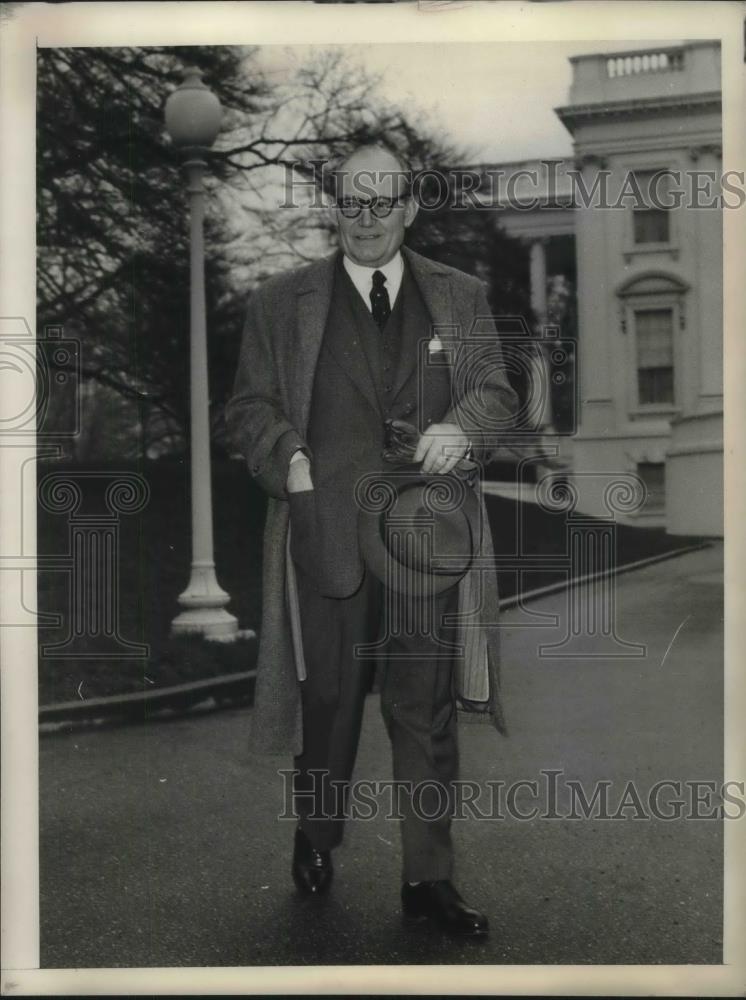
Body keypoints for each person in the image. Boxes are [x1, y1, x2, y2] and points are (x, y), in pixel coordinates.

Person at [225, 143, 518, 938]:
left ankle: (429, 878)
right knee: (329, 700)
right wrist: (285, 456)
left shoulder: (459, 296)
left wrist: (462, 427)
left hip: (428, 539)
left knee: (424, 708)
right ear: (334, 206)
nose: (364, 219)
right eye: (350, 203)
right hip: (326, 532)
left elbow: (495, 391)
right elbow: (247, 408)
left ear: (408, 208)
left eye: (380, 203)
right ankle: (317, 831)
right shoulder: (282, 304)